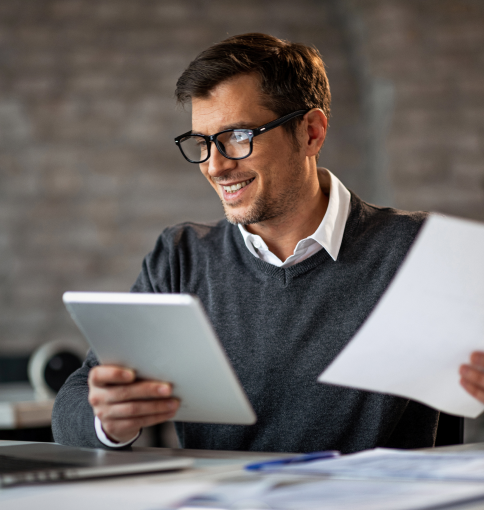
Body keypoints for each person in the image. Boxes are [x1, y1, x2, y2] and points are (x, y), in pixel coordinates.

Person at [52, 33, 484, 453]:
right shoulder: (182, 257)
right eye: (201, 143)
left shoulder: (420, 250)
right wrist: (107, 418)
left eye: (238, 137)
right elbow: (73, 405)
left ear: (311, 132)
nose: (216, 166)